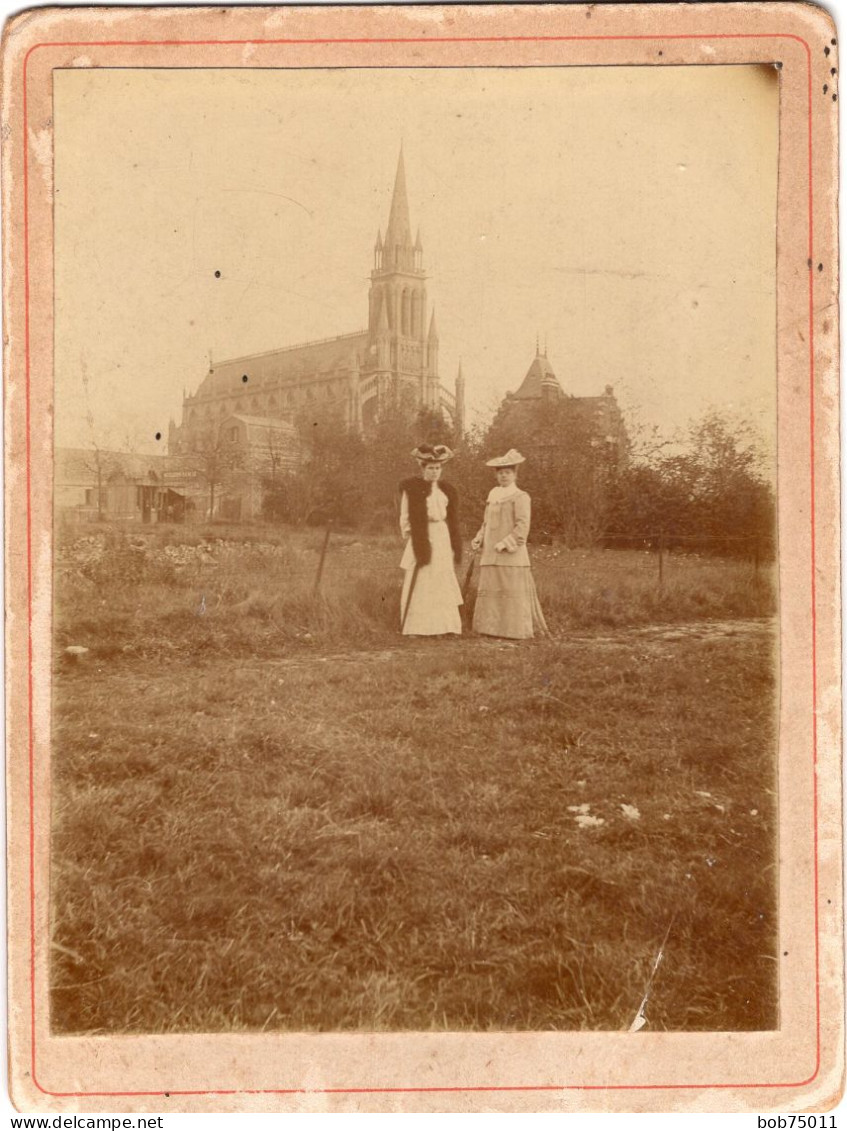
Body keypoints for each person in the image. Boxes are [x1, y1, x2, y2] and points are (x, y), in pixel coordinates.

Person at [471, 449, 548, 639]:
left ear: (515, 474)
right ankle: (490, 629)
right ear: (496, 475)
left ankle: (514, 631)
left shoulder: (520, 496)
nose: (503, 476)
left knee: (510, 590)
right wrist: (479, 538)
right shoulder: (494, 495)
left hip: (510, 553)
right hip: (490, 553)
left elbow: (523, 526)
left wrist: (505, 543)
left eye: (507, 472)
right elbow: (487, 522)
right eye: (500, 472)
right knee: (492, 590)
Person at [398, 444, 463, 636]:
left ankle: (443, 627)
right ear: (423, 469)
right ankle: (416, 628)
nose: (434, 472)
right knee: (422, 580)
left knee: (441, 578)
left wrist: (452, 542)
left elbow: (452, 518)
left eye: (437, 468)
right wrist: (414, 536)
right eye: (430, 468)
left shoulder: (446, 490)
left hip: (441, 535)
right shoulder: (413, 489)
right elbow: (405, 516)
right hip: (422, 534)